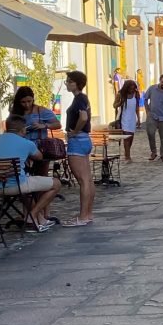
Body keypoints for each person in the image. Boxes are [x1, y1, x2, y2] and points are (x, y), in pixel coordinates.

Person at [0, 115, 62, 232]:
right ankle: (32, 215)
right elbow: (39, 157)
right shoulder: (26, 143)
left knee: (27, 190)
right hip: (16, 185)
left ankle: (38, 219)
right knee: (56, 184)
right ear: (23, 129)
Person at [62, 71, 95, 227]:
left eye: (69, 81)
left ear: (76, 83)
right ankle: (87, 213)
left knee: (83, 181)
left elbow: (83, 117)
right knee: (87, 179)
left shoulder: (79, 99)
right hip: (85, 140)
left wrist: (74, 131)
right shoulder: (83, 98)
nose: (67, 84)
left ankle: (83, 216)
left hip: (78, 140)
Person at [11, 86, 62, 174]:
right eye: (23, 102)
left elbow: (58, 124)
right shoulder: (15, 112)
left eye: (29, 101)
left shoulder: (41, 111)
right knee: (23, 174)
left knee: (41, 174)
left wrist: (44, 125)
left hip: (40, 148)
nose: (27, 105)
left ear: (33, 99)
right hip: (22, 147)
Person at [113, 80, 140, 162]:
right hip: (124, 118)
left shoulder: (136, 95)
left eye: (133, 88)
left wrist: (138, 119)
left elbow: (137, 108)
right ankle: (127, 156)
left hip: (132, 118)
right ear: (126, 88)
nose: (132, 90)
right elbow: (114, 105)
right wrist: (121, 103)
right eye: (130, 88)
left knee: (131, 137)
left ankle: (126, 153)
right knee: (126, 137)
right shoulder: (120, 95)